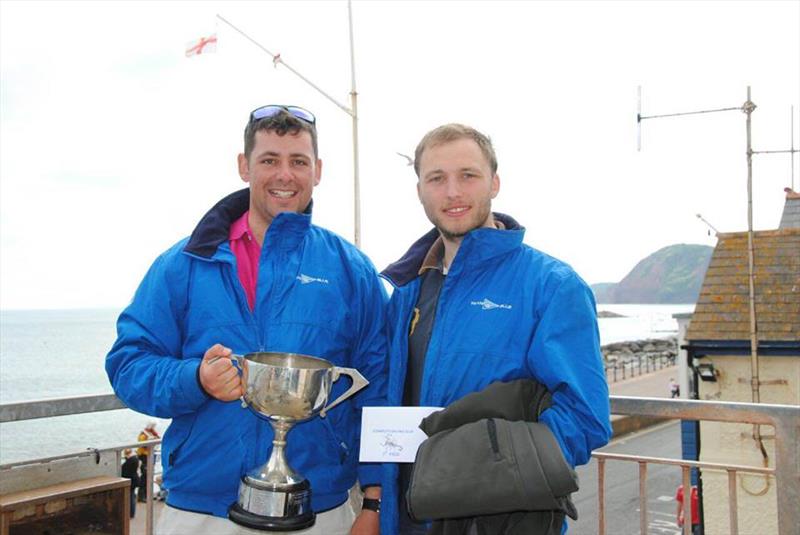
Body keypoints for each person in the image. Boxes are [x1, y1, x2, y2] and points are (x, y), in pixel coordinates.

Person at [106, 105, 387, 535]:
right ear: (244, 166)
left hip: (321, 507)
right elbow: (128, 365)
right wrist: (194, 380)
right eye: (269, 160)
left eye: (298, 162)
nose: (284, 175)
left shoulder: (353, 270)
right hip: (201, 508)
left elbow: (380, 386)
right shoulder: (182, 264)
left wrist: (374, 501)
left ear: (318, 171)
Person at [380, 123, 612, 534]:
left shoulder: (552, 285)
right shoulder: (407, 291)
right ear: (420, 190)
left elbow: (585, 418)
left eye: (468, 175)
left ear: (495, 183)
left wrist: (472, 470)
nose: (453, 192)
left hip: (505, 521)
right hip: (410, 519)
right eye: (437, 178)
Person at [136, 421, 160, 503]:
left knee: (149, 476)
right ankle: (141, 496)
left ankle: (147, 495)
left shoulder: (152, 433)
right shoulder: (143, 435)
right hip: (144, 457)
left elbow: (158, 439)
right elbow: (142, 445)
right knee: (145, 476)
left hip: (151, 455)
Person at [121, 448, 140, 518]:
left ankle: (130, 513)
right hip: (134, 480)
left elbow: (124, 472)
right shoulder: (135, 460)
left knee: (130, 497)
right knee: (132, 496)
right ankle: (132, 513)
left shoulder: (127, 463)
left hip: (130, 481)